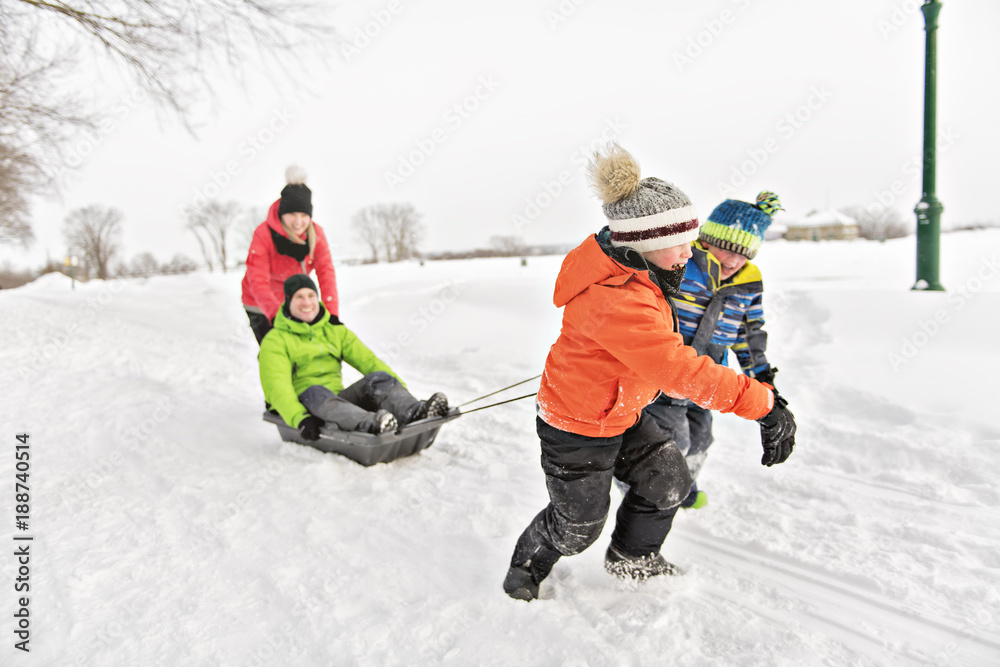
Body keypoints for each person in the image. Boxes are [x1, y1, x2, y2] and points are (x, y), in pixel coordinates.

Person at [502, 145, 796, 601]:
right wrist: (764, 405)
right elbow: (678, 369)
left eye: (689, 241)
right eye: (678, 244)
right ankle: (528, 561)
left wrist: (760, 378)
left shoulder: (642, 273)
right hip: (577, 427)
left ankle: (633, 556)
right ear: (641, 242)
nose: (687, 253)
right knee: (578, 528)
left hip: (623, 411)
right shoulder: (618, 295)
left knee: (670, 480)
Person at [644, 191, 787, 510]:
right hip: (665, 373)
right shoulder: (680, 265)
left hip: (708, 376)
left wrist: (764, 381)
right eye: (728, 250)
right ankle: (647, 492)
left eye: (744, 254)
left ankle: (684, 486)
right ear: (707, 240)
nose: (734, 261)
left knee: (700, 437)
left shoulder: (748, 282)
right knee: (672, 439)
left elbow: (749, 336)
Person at [259, 274, 448, 439]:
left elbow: (368, 361)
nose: (307, 302)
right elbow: (276, 387)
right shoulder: (275, 340)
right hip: (306, 407)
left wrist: (401, 395)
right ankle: (371, 424)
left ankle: (414, 412)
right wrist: (299, 418)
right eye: (299, 297)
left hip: (337, 405)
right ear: (288, 302)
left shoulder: (335, 331)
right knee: (314, 391)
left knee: (378, 378)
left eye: (311, 295)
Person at [241, 166, 339, 345]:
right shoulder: (264, 234)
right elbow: (258, 280)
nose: (298, 221)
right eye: (292, 214)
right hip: (260, 305)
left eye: (303, 215)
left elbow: (326, 274)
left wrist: (332, 315)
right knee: (276, 354)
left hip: (294, 301)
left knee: (303, 353)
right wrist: (278, 316)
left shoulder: (316, 234)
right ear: (282, 213)